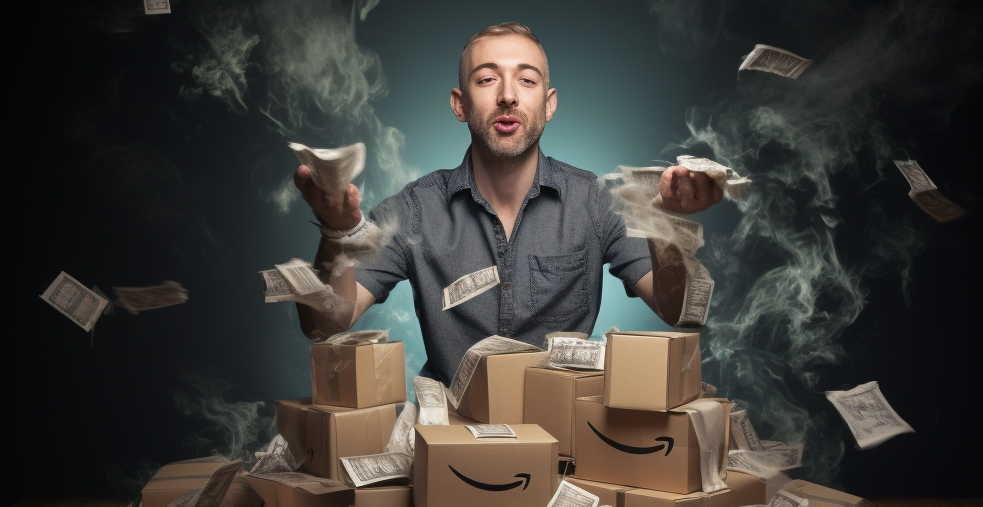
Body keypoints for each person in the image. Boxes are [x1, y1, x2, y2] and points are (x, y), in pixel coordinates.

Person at [293, 22, 723, 382]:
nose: (507, 95)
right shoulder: (414, 209)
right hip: (452, 449)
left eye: (527, 79)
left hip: (568, 440)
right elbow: (322, 324)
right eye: (486, 78)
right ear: (459, 105)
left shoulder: (596, 202)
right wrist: (337, 233)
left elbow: (680, 312)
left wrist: (667, 224)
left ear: (549, 104)